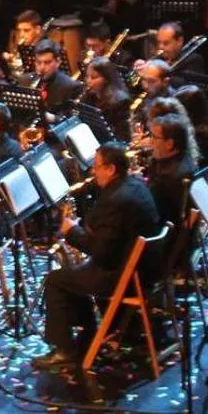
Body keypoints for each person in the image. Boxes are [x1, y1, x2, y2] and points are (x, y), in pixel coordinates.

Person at [33, 142, 161, 369]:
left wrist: (71, 231)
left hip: (122, 276)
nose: (93, 171)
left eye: (97, 166)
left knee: (56, 280)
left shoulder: (115, 200)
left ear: (111, 169)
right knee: (73, 276)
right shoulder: (136, 185)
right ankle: (89, 331)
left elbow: (101, 251)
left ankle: (65, 350)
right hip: (145, 269)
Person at [144, 105, 199, 226]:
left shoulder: (167, 178)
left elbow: (147, 209)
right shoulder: (185, 157)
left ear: (169, 144)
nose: (150, 141)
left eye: (154, 137)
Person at [85, 56, 134, 143]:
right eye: (87, 76)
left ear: (107, 79)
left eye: (94, 77)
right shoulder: (88, 96)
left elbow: (123, 136)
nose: (88, 81)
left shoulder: (120, 101)